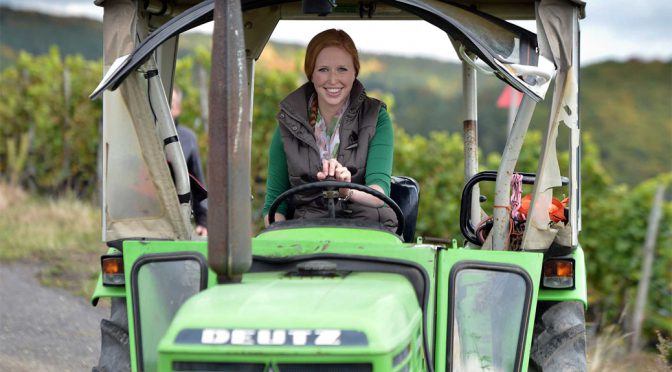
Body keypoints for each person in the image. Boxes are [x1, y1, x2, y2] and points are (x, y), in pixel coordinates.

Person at [262, 29, 398, 232]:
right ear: (312, 74)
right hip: (307, 232)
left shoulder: (376, 118)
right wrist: (283, 243)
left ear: (355, 73)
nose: (333, 80)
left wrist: (347, 190)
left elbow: (379, 194)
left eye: (342, 69)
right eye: (323, 69)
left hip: (368, 228)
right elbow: (274, 206)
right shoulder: (288, 123)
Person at [171, 88, 208, 236]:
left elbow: (197, 182)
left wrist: (203, 222)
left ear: (178, 109)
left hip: (179, 219)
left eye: (170, 104)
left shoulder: (188, 138)